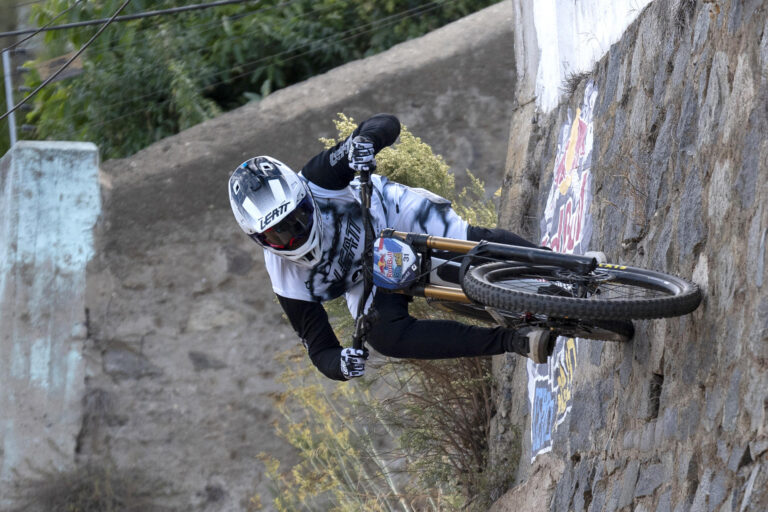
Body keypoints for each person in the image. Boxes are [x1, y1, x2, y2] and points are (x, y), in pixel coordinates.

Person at [228, 113, 556, 381]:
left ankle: (558, 264)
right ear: (258, 240)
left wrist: (364, 143)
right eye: (277, 236)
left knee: (467, 241)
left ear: (303, 195)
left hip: (394, 216)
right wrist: (341, 365)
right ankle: (515, 341)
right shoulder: (285, 277)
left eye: (297, 219)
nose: (294, 236)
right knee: (386, 337)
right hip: (368, 278)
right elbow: (320, 349)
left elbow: (383, 123)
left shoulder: (319, 177)